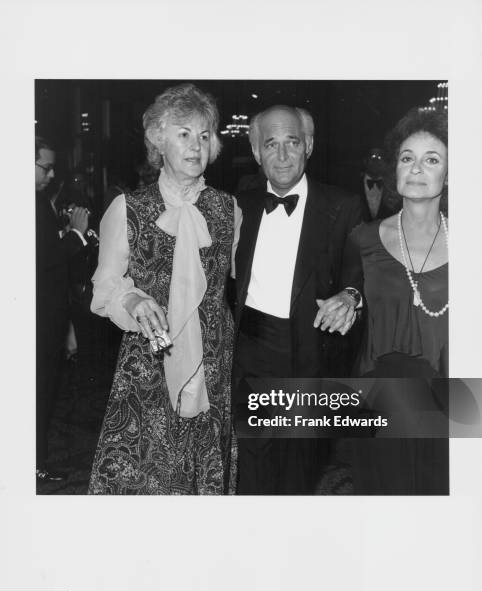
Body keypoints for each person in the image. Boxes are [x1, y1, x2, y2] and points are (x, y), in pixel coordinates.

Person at [88, 83, 236, 495]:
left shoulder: (228, 208)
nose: (196, 145)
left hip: (214, 363)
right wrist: (134, 298)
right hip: (150, 364)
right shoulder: (128, 208)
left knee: (203, 475)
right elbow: (105, 286)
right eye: (183, 134)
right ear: (158, 139)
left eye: (204, 135)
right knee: (150, 475)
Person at [317, 108, 449, 494]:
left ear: (449, 172)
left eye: (432, 159)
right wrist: (348, 299)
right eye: (407, 158)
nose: (418, 168)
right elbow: (350, 288)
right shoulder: (364, 238)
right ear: (395, 169)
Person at [233, 105, 363, 494]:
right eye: (271, 144)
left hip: (310, 349)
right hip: (250, 348)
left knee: (299, 468)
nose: (284, 155)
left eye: (292, 142)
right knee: (252, 467)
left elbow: (363, 272)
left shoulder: (343, 206)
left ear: (308, 145)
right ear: (256, 152)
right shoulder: (241, 204)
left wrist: (351, 296)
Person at [35, 137, 89, 481]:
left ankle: (36, 463)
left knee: (42, 394)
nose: (52, 174)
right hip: (37, 320)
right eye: (46, 166)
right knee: (38, 394)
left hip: (48, 317)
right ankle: (34, 465)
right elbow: (44, 260)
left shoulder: (38, 200)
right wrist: (77, 235)